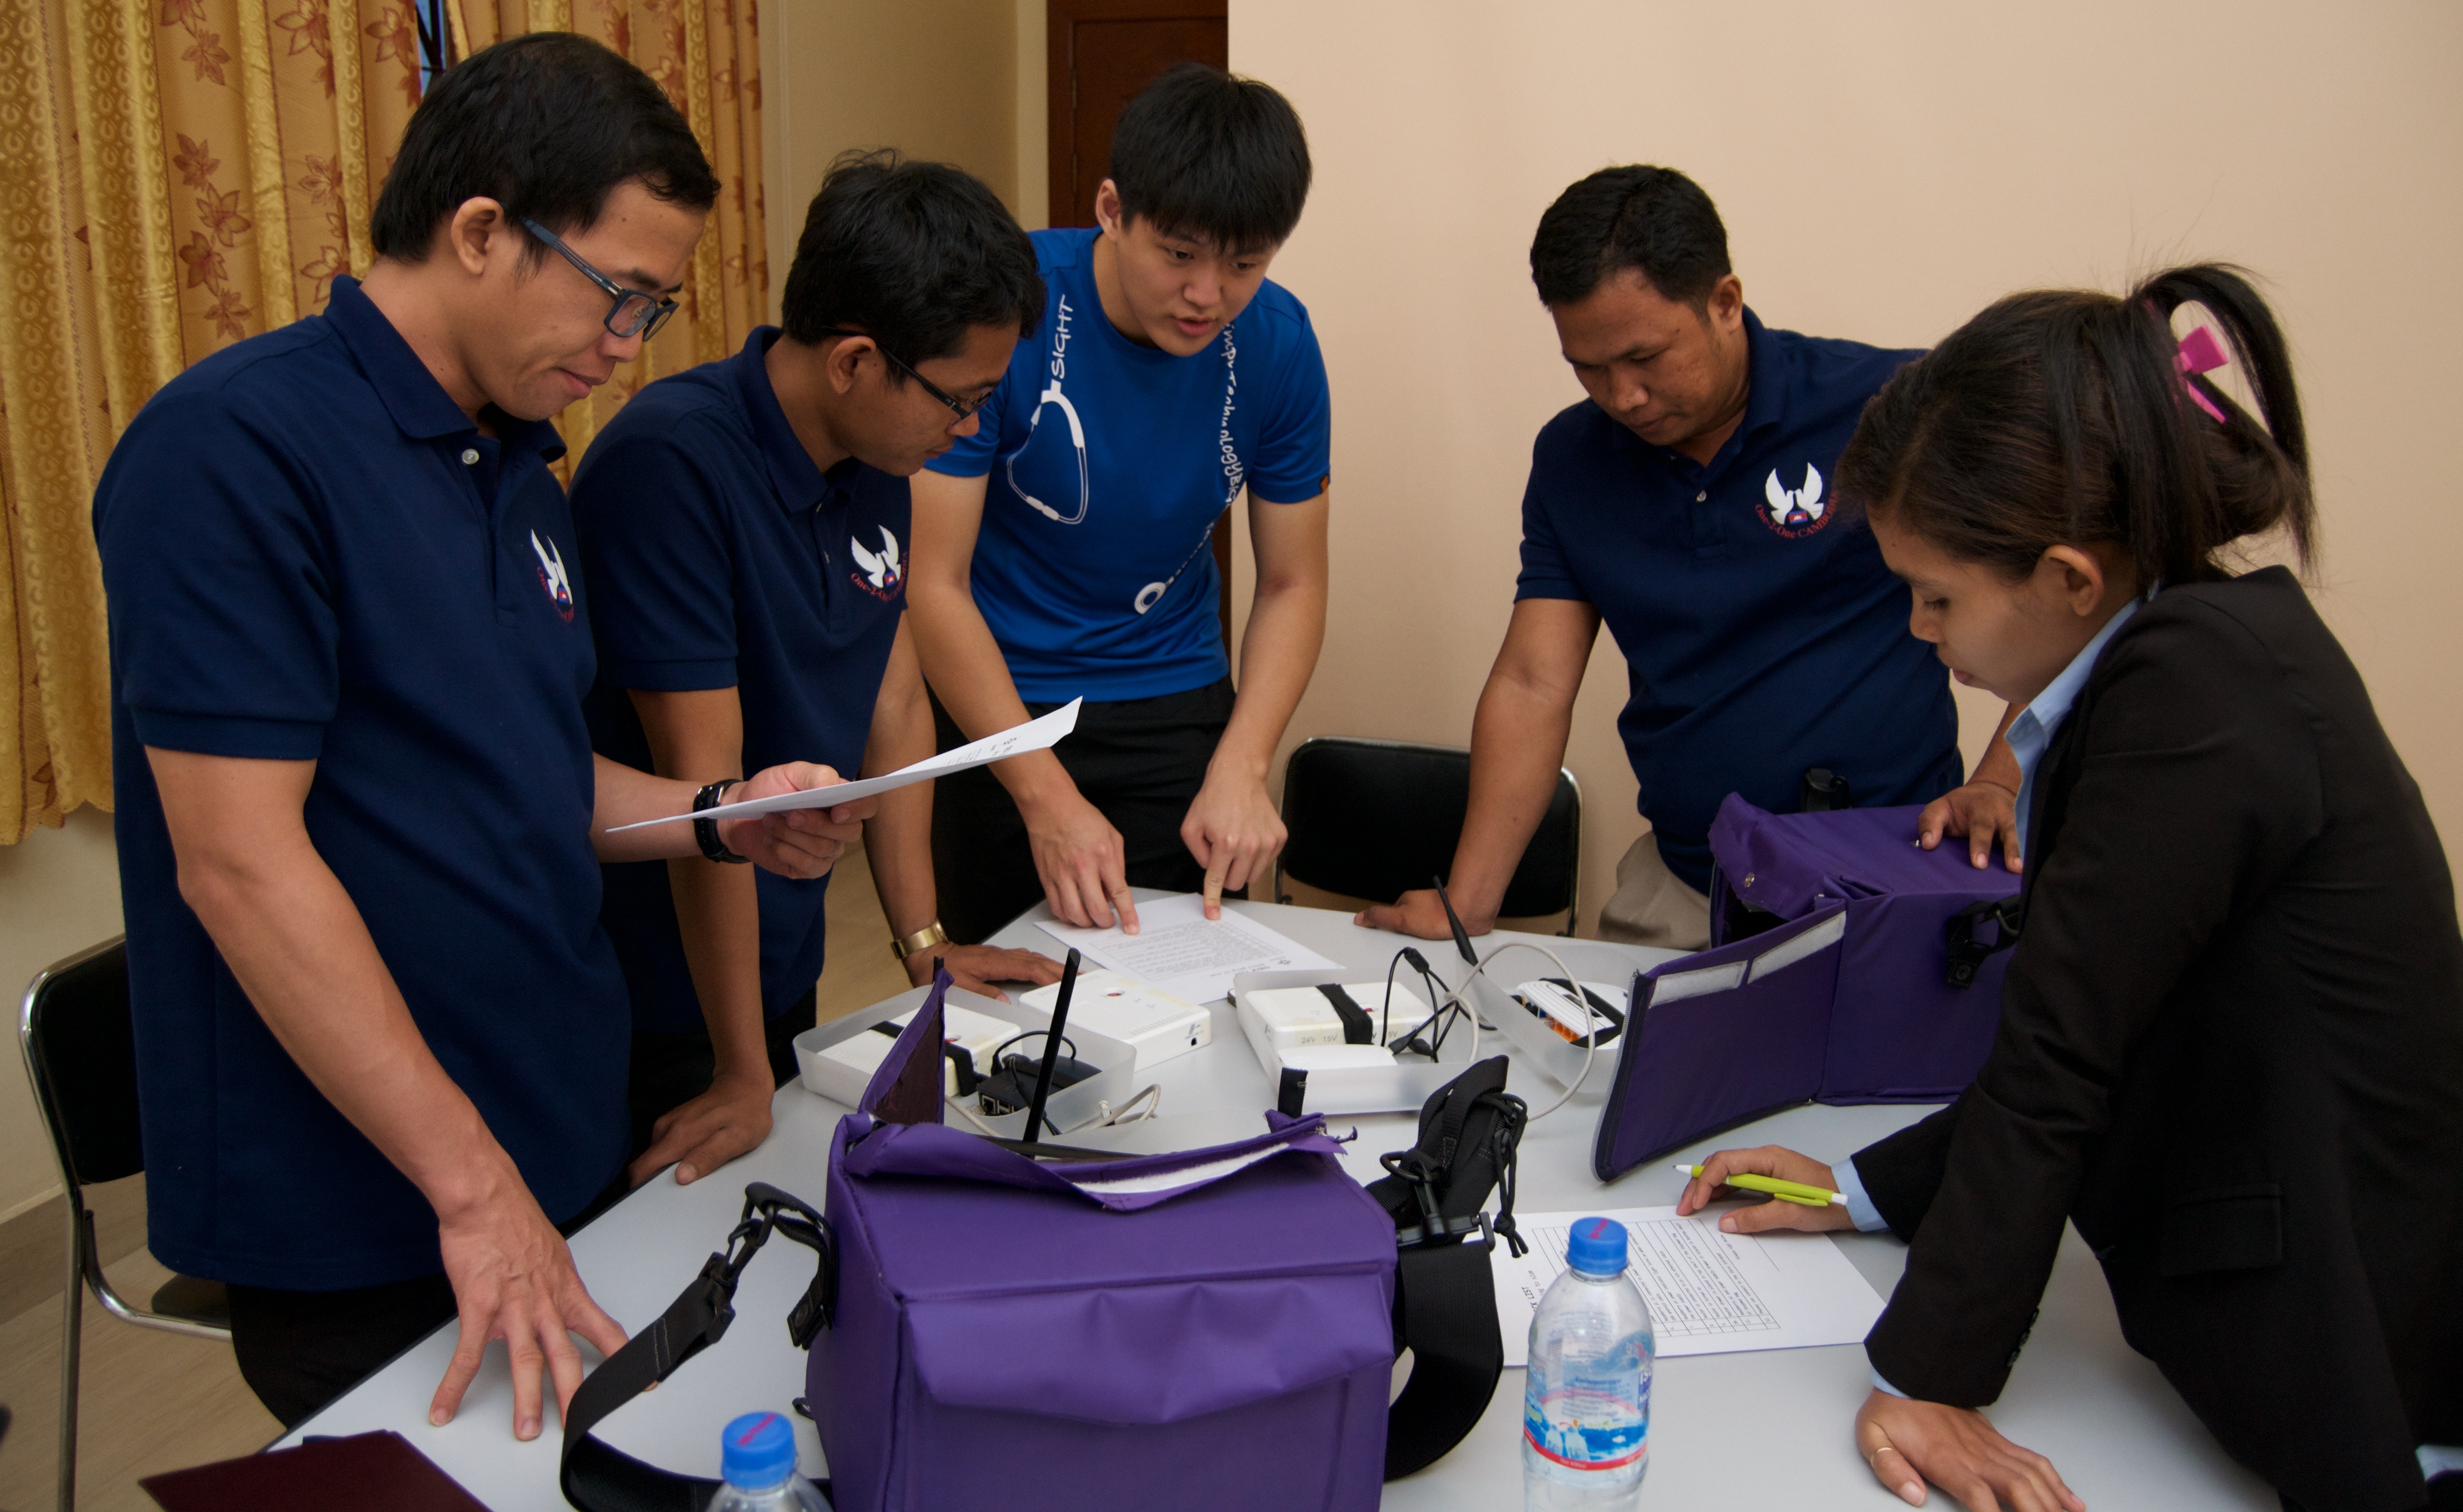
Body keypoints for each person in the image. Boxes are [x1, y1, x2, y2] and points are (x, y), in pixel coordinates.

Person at [91, 34, 866, 1439]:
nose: (628, 348)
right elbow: (240, 866)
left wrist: (718, 813)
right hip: (374, 1197)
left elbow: (529, 775)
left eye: (656, 309)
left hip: (550, 1121)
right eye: (617, 297)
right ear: (481, 232)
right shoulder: (235, 451)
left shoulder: (512, 465)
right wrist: (472, 1185)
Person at [1678, 265, 2463, 1512]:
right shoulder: (2206, 650)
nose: (1923, 634)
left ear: (2067, 580)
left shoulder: (2194, 694)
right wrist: (1869, 1188)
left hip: (2367, 1357)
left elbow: (2065, 1051)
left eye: (1936, 597)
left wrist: (1934, 1375)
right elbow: (2119, 1020)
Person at [1365, 165, 2017, 953]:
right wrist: (1467, 903)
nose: (1623, 395)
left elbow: (2058, 591)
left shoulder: (1887, 407)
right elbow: (1533, 681)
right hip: (1686, 891)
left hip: (1888, 877)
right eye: (1589, 367)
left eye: (1646, 357)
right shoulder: (1574, 460)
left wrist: (2000, 780)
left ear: (1725, 303)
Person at [572, 152, 1065, 1188]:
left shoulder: (877, 461)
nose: (970, 428)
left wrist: (923, 943)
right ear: (854, 362)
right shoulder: (673, 468)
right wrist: (741, 1068)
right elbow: (710, 799)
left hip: (776, 962)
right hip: (663, 1000)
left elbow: (891, 700)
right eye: (959, 399)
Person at [908, 63, 1331, 943]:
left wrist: (1245, 766)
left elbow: (1292, 583)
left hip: (1173, 695)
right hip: (1001, 697)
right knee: (1009, 1007)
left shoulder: (1280, 345)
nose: (1207, 295)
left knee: (1187, 985)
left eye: (1244, 263)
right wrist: (1042, 794)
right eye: (1179, 254)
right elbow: (934, 583)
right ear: (1111, 209)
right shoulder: (1006, 306)